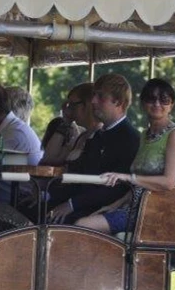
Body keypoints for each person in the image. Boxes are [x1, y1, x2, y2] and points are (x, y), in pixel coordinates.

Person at [75, 78, 175, 234]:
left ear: (172, 105)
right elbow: (138, 186)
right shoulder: (145, 135)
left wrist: (128, 177)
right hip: (134, 205)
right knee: (85, 218)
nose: (157, 104)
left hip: (156, 211)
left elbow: (168, 182)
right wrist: (113, 205)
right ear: (142, 103)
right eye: (151, 98)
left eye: (164, 100)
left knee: (82, 224)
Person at [44, 73, 140, 225]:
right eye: (94, 95)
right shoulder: (97, 137)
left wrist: (72, 204)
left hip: (99, 211)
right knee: (34, 210)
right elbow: (81, 178)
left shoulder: (130, 139)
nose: (93, 101)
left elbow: (117, 189)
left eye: (100, 97)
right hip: (81, 205)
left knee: (49, 220)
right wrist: (47, 195)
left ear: (118, 102)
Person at [40, 82, 98, 167]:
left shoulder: (99, 135)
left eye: (73, 104)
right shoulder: (82, 137)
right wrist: (66, 121)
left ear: (87, 104)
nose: (69, 109)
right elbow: (48, 160)